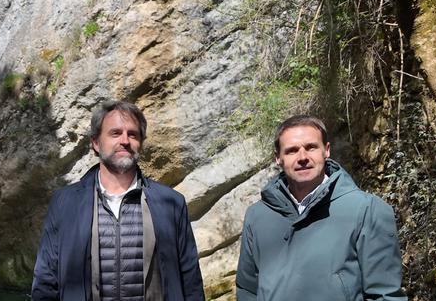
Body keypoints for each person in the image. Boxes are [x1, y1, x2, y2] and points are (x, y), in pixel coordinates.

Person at [31, 100, 205, 301]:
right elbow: (45, 280)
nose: (125, 140)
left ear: (141, 143)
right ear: (96, 143)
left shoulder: (171, 203)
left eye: (133, 134)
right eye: (115, 133)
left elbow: (191, 282)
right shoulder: (65, 203)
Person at [235, 115, 407, 300]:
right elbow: (247, 290)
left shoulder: (367, 210)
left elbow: (385, 295)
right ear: (278, 158)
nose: (303, 157)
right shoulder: (257, 216)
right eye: (292, 151)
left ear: (326, 150)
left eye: (311, 147)